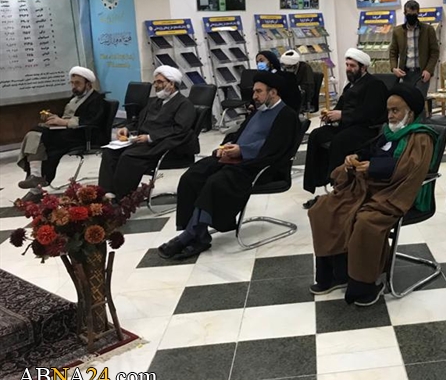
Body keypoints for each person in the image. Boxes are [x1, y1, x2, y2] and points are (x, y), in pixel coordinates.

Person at [308, 85, 437, 306]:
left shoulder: (420, 137)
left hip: (394, 192)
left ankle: (364, 285)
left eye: (396, 110)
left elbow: (409, 169)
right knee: (323, 208)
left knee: (366, 221)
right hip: (368, 187)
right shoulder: (388, 132)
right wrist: (355, 158)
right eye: (389, 111)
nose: (390, 115)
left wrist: (373, 167)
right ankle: (336, 274)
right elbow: (369, 150)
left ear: (410, 113)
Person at [159, 71, 300, 260]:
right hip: (235, 160)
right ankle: (197, 233)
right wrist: (225, 147)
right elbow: (237, 135)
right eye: (254, 91)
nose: (254, 96)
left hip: (260, 167)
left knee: (216, 182)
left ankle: (191, 235)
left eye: (259, 92)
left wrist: (242, 151)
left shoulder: (287, 115)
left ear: (273, 92)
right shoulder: (258, 111)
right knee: (192, 176)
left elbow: (275, 148)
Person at [302, 48, 388, 206]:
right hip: (347, 126)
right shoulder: (350, 86)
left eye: (352, 66)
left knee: (339, 141)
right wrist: (330, 115)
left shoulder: (375, 85)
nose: (348, 69)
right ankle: (320, 181)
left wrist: (343, 115)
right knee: (316, 135)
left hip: (366, 129)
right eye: (347, 65)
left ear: (363, 67)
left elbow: (371, 112)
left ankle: (338, 188)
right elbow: (341, 107)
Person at [98, 66, 196, 199]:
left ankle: (122, 198)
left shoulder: (184, 104)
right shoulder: (154, 102)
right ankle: (106, 194)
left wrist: (150, 137)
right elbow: (139, 120)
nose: (155, 85)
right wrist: (127, 129)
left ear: (172, 84)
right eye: (155, 82)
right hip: (144, 143)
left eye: (160, 82)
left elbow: (179, 130)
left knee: (129, 157)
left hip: (165, 146)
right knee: (110, 152)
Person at [17, 67, 106, 192]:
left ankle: (36, 187)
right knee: (34, 133)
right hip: (67, 131)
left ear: (88, 84)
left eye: (78, 83)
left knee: (41, 139)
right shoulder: (74, 98)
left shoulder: (96, 100)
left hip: (83, 135)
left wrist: (63, 122)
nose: (74, 86)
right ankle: (35, 178)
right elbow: (66, 115)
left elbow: (91, 121)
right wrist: (54, 118)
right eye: (72, 83)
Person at [389, 0, 440, 97]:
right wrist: (394, 68)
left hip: (422, 73)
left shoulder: (428, 30)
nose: (411, 17)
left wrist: (429, 70)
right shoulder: (397, 31)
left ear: (418, 13)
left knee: (419, 100)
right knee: (406, 101)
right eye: (409, 15)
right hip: (405, 73)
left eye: (414, 15)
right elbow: (393, 51)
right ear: (404, 13)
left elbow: (434, 52)